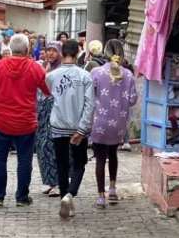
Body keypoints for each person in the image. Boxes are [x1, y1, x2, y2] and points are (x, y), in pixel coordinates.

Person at [0, 34, 50, 207]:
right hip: (26, 122)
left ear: (10, 49)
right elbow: (47, 90)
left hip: (1, 122)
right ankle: (22, 197)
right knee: (24, 160)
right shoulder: (35, 68)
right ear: (27, 49)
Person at [46, 39, 95, 219]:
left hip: (58, 124)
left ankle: (64, 199)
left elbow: (52, 94)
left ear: (62, 53)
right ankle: (69, 194)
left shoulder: (51, 76)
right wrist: (82, 129)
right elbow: (90, 105)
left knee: (62, 164)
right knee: (79, 163)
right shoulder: (85, 76)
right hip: (77, 128)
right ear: (77, 54)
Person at [90, 39, 138, 208]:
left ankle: (101, 197)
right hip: (119, 123)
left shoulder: (96, 72)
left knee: (100, 159)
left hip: (99, 123)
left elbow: (89, 96)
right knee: (113, 155)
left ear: (106, 53)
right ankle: (112, 190)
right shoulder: (129, 75)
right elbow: (132, 100)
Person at [35, 41, 62, 197]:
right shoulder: (46, 68)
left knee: (53, 146)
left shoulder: (61, 71)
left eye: (54, 51)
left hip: (57, 113)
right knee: (43, 146)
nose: (50, 53)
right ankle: (50, 181)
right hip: (43, 113)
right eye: (48, 50)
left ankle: (59, 182)